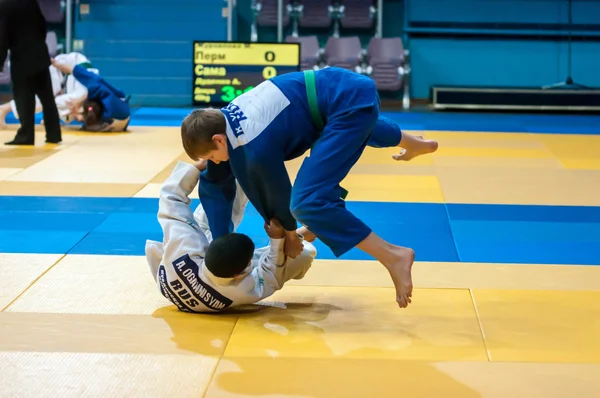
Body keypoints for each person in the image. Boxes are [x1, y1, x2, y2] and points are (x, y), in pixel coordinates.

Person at [180, 67, 439, 309]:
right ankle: (413, 142)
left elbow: (273, 189)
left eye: (211, 156)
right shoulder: (226, 118)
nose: (213, 162)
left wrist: (290, 236)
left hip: (347, 102)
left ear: (217, 139)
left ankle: (394, 255)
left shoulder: (252, 142)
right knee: (351, 123)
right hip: (337, 92)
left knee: (307, 202)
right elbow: (216, 184)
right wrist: (220, 240)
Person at [144, 160, 317, 313]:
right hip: (213, 285)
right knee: (303, 255)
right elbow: (273, 273)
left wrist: (199, 166)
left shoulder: (183, 245)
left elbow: (170, 198)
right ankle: (302, 236)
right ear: (238, 275)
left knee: (216, 211)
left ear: (208, 246)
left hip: (179, 268)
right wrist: (278, 240)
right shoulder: (242, 290)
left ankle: (240, 168)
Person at [0, 0, 61, 145]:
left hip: (21, 58)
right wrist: (38, 43)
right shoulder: (30, 2)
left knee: (24, 98)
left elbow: (2, 36)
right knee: (47, 98)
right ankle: (54, 134)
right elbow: (42, 25)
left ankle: (26, 135)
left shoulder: (4, 5)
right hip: (40, 54)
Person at [51, 58, 130, 132]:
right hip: (119, 119)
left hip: (116, 116)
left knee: (71, 110)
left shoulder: (94, 91)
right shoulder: (102, 97)